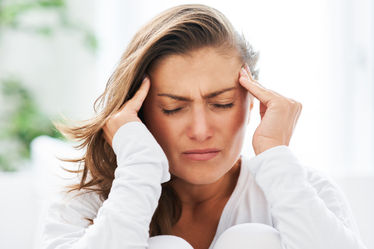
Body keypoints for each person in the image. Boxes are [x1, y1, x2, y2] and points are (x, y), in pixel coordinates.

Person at [40, 4, 368, 249]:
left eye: (222, 104)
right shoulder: (87, 206)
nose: (200, 130)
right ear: (139, 114)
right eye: (173, 108)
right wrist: (138, 170)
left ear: (251, 101)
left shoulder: (302, 189)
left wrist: (277, 157)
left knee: (252, 241)